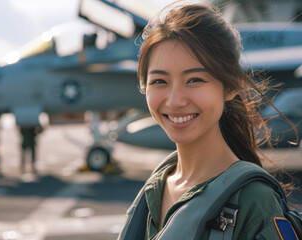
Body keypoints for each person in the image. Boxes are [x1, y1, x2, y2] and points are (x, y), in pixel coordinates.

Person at [118, 2, 298, 240]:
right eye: (159, 81)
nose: (174, 101)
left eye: (194, 80)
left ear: (232, 86)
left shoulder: (254, 200)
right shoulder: (155, 187)